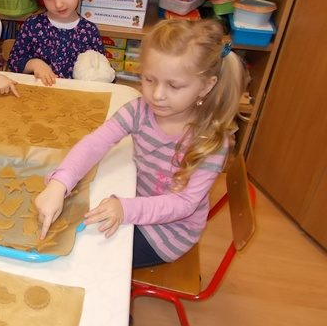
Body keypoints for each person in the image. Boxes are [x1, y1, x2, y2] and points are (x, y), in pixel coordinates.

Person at [35, 19, 246, 269]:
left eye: (174, 86)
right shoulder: (139, 110)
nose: (157, 95)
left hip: (167, 234)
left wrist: (126, 209)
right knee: (76, 232)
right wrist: (59, 183)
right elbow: (95, 143)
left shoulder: (211, 142)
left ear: (206, 86)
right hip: (136, 200)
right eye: (149, 80)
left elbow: (184, 204)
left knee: (84, 258)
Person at [8, 0, 106, 86]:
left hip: (75, 96)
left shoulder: (89, 31)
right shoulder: (33, 26)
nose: (58, 4)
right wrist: (35, 64)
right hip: (39, 93)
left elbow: (102, 71)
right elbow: (14, 62)